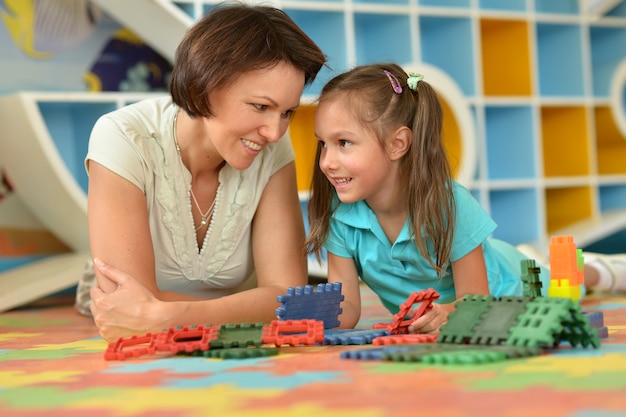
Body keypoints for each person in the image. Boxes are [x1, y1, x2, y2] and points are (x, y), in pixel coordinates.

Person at [306, 62, 626, 334]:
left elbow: (478, 303)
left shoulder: (450, 206)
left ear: (397, 144)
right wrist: (306, 314)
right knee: (514, 260)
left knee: (566, 287)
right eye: (323, 144)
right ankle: (522, 257)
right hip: (481, 265)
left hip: (508, 291)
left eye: (344, 142)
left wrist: (447, 313)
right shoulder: (342, 216)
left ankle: (597, 268)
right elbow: (346, 308)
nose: (327, 162)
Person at [75, 3, 327, 342]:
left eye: (287, 113)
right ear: (204, 85)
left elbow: (287, 296)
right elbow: (123, 306)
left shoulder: (272, 148)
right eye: (261, 106)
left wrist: (168, 317)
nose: (274, 132)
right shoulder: (122, 137)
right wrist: (249, 309)